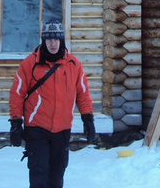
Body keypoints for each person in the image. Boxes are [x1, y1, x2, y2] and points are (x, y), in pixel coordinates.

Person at [9, 20, 96, 188]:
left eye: (56, 39)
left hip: (62, 130)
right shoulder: (30, 64)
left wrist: (88, 119)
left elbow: (83, 93)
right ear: (44, 40)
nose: (53, 44)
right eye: (49, 39)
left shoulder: (73, 64)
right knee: (39, 176)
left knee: (57, 178)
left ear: (62, 40)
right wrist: (16, 122)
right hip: (37, 129)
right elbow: (17, 93)